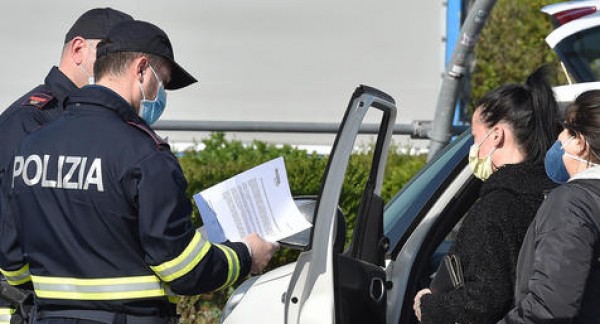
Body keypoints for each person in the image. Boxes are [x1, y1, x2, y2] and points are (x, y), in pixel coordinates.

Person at [0, 19, 278, 323]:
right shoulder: (145, 154)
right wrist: (246, 254)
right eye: (163, 80)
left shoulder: (32, 146)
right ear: (142, 68)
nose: (161, 94)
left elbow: (13, 263)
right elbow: (182, 268)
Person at [0, 8, 133, 322]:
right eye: (113, 55)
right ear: (78, 50)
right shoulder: (34, 118)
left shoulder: (83, 119)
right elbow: (15, 225)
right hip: (19, 305)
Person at [412, 67, 559, 323]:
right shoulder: (555, 195)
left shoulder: (496, 207)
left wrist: (429, 306)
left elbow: (485, 298)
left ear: (497, 136)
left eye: (475, 137)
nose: (474, 147)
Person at [499, 90, 600, 323]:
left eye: (565, 131)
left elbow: (551, 307)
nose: (559, 139)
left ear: (580, 143)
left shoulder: (571, 202)